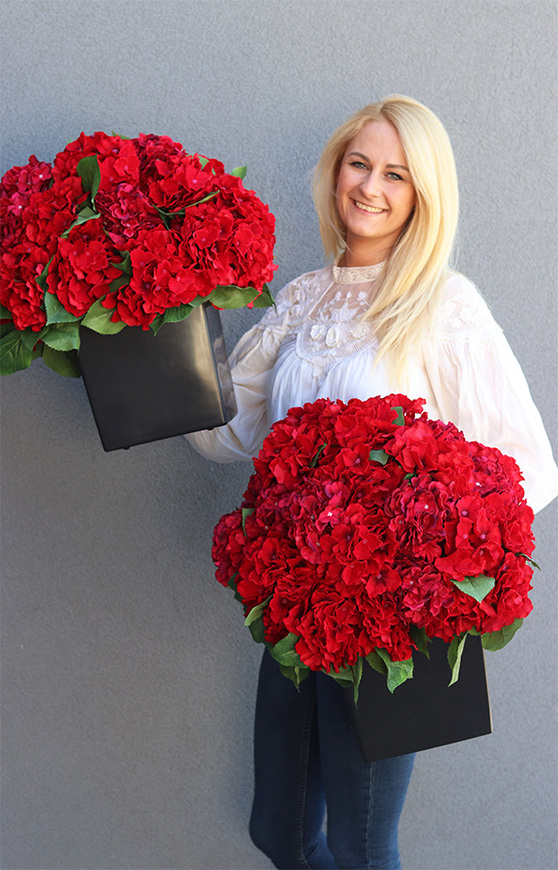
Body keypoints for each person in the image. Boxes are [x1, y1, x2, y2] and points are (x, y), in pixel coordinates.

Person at [186, 95, 558, 869]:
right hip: (299, 608)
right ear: (335, 171)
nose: (371, 187)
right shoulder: (302, 297)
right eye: (360, 164)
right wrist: (147, 328)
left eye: (396, 174)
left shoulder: (444, 306)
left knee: (361, 848)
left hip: (388, 630)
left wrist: (418, 567)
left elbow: (525, 466)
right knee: (279, 833)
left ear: (423, 195)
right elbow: (224, 433)